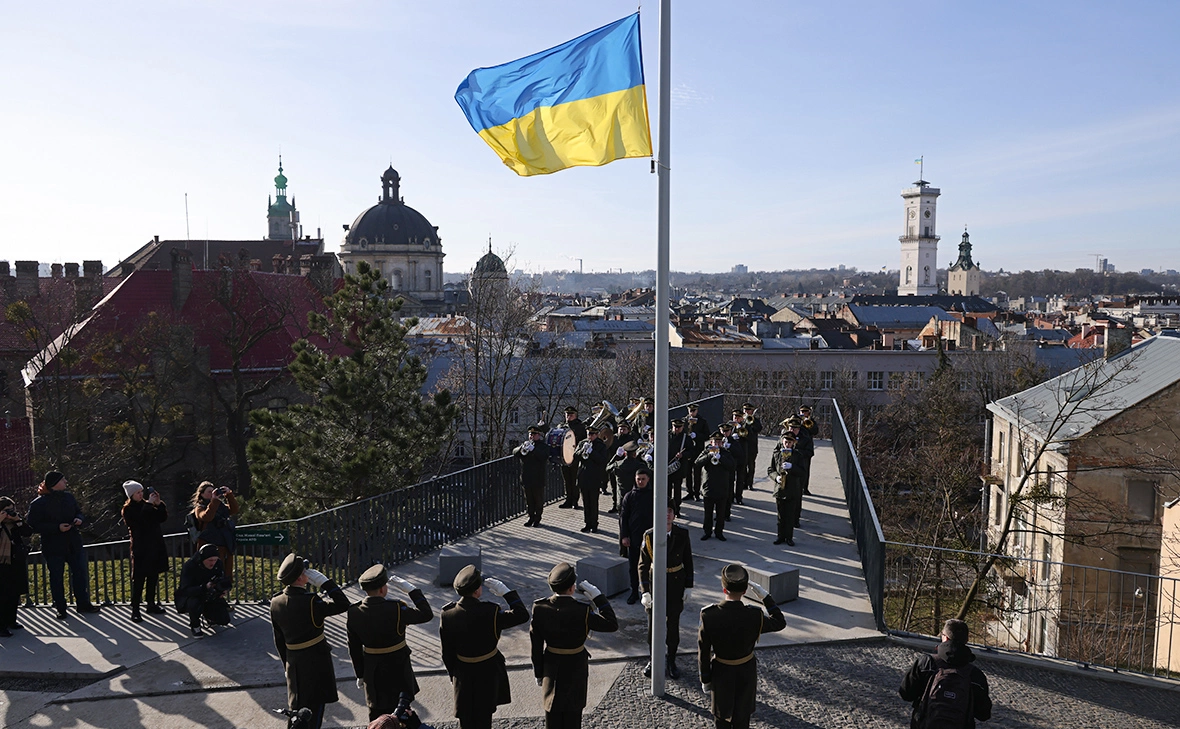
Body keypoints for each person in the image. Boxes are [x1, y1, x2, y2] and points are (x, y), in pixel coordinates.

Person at [440, 565, 529, 729]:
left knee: (466, 719)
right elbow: (522, 615)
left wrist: (454, 675)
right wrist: (507, 593)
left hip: (463, 673)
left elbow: (447, 653)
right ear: (477, 591)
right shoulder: (491, 611)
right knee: (484, 719)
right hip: (487, 672)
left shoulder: (447, 614)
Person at [698, 564, 787, 729]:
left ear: (724, 589)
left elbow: (703, 652)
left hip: (721, 673)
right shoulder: (754, 615)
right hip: (745, 673)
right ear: (745, 591)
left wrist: (705, 678)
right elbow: (780, 622)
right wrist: (766, 597)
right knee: (742, 720)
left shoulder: (709, 615)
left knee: (721, 720)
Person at [529, 563, 617, 729]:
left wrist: (538, 673)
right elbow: (611, 624)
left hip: (551, 668)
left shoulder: (540, 608)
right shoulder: (582, 611)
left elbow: (536, 646)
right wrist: (598, 597)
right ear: (572, 588)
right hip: (575, 667)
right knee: (573, 716)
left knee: (552, 715)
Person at [271, 553, 351, 729]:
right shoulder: (311, 601)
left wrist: (287, 666)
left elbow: (279, 640)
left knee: (296, 710)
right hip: (315, 662)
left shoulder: (275, 602)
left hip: (293, 663)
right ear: (301, 577)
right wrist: (326, 583)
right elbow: (343, 604)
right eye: (305, 571)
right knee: (313, 712)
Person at [347, 564, 433, 722]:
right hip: (398, 670)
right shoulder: (397, 608)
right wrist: (413, 591)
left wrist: (360, 673)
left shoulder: (354, 612)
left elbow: (354, 648)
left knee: (377, 716)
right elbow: (426, 614)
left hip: (372, 672)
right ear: (382, 589)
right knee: (401, 714)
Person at [26, 471, 100, 619]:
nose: (66, 481)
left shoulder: (69, 497)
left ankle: (83, 603)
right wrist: (56, 528)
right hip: (53, 546)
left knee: (80, 574)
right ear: (54, 483)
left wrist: (79, 519)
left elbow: (79, 512)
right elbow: (33, 526)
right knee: (56, 577)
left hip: (73, 542)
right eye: (62, 479)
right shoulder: (38, 503)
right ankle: (60, 607)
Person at [899, 618, 992, 729]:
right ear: (966, 641)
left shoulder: (926, 663)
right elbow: (983, 714)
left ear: (945, 637)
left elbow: (906, 694)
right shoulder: (975, 675)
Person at [639, 506, 694, 679]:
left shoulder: (682, 534)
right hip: (656, 584)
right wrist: (645, 591)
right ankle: (653, 659)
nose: (667, 515)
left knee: (673, 626)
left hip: (675, 584)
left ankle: (671, 660)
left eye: (670, 511)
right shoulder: (649, 535)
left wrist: (689, 586)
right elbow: (643, 565)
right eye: (664, 511)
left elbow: (688, 560)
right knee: (653, 626)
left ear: (674, 515)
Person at [121, 480, 168, 623]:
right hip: (141, 547)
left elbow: (162, 518)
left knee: (153, 577)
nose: (141, 495)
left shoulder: (146, 505)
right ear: (131, 495)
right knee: (139, 579)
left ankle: (151, 604)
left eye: (142, 492)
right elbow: (139, 521)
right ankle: (135, 609)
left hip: (155, 545)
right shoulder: (128, 510)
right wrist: (149, 505)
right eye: (138, 493)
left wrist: (159, 504)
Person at [176, 543, 232, 636]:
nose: (212, 563)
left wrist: (223, 590)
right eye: (210, 560)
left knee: (224, 619)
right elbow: (185, 589)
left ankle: (210, 617)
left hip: (210, 594)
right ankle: (195, 625)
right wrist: (204, 587)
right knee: (194, 603)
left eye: (215, 560)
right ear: (202, 559)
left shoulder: (218, 564)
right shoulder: (190, 566)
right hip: (192, 595)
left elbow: (222, 580)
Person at [618, 467, 655, 604]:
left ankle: (650, 591)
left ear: (648, 479)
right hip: (634, 538)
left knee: (650, 566)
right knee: (633, 566)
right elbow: (623, 518)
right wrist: (624, 536)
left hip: (651, 538)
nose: (640, 482)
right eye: (638, 479)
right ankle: (634, 591)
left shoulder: (653, 495)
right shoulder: (629, 496)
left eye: (643, 479)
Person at [192, 481, 239, 585]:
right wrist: (213, 501)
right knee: (210, 574)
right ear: (202, 494)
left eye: (212, 491)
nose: (211, 493)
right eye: (209, 492)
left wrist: (228, 495)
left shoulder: (220, 506)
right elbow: (207, 517)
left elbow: (234, 509)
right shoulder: (200, 507)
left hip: (225, 544)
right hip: (209, 545)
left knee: (225, 573)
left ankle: (222, 593)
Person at [0, 496, 33, 636]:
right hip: (2, 563)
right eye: (7, 510)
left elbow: (28, 532)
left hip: (15, 561)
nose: (10, 513)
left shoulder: (15, 523)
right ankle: (1, 626)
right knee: (3, 595)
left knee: (14, 593)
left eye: (12, 509)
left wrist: (18, 520)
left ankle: (11, 620)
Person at [695, 433, 735, 542]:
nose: (716, 444)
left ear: (722, 443)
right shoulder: (706, 452)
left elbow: (732, 466)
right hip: (708, 487)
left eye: (718, 442)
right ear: (711, 443)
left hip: (722, 487)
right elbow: (697, 463)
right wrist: (709, 456)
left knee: (720, 514)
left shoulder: (726, 453)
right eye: (714, 442)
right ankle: (707, 532)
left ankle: (719, 532)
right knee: (708, 513)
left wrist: (721, 458)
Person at [768, 433, 804, 546]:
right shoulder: (777, 454)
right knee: (780, 516)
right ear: (782, 442)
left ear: (793, 443)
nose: (787, 444)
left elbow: (802, 472)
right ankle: (780, 536)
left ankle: (789, 537)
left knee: (790, 515)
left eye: (790, 442)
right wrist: (776, 477)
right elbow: (771, 469)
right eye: (785, 442)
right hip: (780, 489)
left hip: (792, 489)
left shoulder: (797, 455)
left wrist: (792, 467)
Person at [574, 424, 609, 533]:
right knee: (585, 501)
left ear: (597, 434)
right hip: (583, 476)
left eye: (593, 434)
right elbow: (575, 457)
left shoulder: (601, 446)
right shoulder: (582, 443)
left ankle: (594, 524)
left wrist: (592, 453)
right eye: (589, 434)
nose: (590, 436)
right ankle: (587, 523)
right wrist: (582, 451)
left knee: (593, 502)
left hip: (594, 477)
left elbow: (603, 460)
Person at [514, 426, 551, 528]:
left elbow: (544, 456)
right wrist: (521, 448)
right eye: (530, 434)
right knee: (529, 500)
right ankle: (530, 517)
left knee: (538, 500)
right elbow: (514, 453)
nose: (531, 436)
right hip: (526, 477)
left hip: (538, 478)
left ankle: (537, 518)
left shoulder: (543, 446)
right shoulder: (525, 444)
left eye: (534, 434)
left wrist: (533, 450)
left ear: (539, 435)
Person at [557, 407, 587, 509]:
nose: (568, 416)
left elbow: (584, 441)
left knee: (574, 479)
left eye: (571, 415)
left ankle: (575, 500)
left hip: (574, 456)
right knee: (567, 479)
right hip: (564, 456)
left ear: (575, 415)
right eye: (567, 414)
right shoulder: (561, 426)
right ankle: (568, 500)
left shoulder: (580, 426)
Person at [604, 420, 637, 513]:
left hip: (626, 466)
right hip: (615, 465)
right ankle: (615, 505)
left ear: (628, 430)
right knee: (614, 487)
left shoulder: (631, 439)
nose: (622, 431)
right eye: (620, 429)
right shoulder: (613, 438)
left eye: (624, 429)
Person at [718, 422, 746, 519]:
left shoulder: (734, 442)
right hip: (718, 471)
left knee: (728, 493)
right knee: (718, 493)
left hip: (729, 470)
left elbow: (740, 453)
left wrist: (730, 447)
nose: (725, 433)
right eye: (723, 431)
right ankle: (718, 514)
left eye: (727, 431)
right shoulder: (717, 440)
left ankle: (726, 513)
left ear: (730, 431)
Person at [667, 418, 693, 516]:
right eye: (675, 427)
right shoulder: (666, 435)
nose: (677, 429)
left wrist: (683, 455)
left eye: (679, 427)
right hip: (667, 466)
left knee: (677, 490)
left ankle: (677, 509)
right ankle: (668, 509)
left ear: (682, 427)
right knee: (667, 490)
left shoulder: (686, 438)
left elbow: (691, 451)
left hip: (679, 468)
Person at [686, 403, 710, 501]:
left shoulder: (702, 421)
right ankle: (689, 492)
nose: (692, 413)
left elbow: (707, 435)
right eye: (690, 411)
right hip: (687, 449)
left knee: (697, 472)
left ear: (697, 411)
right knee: (688, 472)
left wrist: (697, 435)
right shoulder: (685, 420)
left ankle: (696, 492)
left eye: (693, 411)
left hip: (698, 450)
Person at [740, 403, 762, 490]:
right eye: (745, 410)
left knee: (751, 466)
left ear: (752, 411)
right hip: (742, 446)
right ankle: (744, 483)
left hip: (752, 446)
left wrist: (751, 422)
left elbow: (759, 429)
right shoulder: (741, 420)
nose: (746, 412)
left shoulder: (755, 420)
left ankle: (750, 483)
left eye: (748, 410)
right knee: (743, 466)